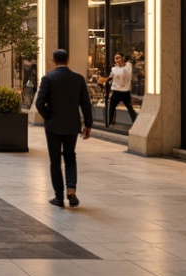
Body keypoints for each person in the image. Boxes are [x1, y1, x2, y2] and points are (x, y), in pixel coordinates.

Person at [35, 47, 94, 208]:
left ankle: (59, 197)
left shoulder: (48, 78)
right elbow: (86, 103)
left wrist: (48, 116)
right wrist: (88, 124)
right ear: (68, 60)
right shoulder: (78, 79)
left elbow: (39, 102)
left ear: (53, 61)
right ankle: (71, 190)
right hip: (72, 125)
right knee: (70, 157)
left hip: (53, 126)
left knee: (55, 161)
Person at [101, 52, 137, 128]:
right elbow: (110, 77)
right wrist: (103, 80)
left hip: (125, 92)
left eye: (118, 58)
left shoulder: (128, 66)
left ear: (123, 58)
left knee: (130, 108)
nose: (117, 60)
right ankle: (109, 124)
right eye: (115, 58)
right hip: (116, 92)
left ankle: (136, 124)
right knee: (111, 108)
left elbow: (129, 64)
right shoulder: (114, 69)